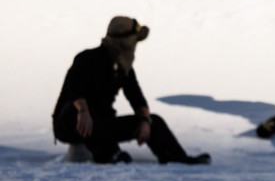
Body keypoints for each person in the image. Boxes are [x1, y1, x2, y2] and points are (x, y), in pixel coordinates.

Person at [52, 17, 211, 165]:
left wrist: (145, 121)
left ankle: (176, 158)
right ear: (124, 41)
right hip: (71, 123)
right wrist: (83, 111)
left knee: (154, 120)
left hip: (102, 125)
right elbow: (75, 90)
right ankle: (110, 155)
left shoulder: (124, 69)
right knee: (74, 109)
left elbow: (136, 98)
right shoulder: (86, 58)